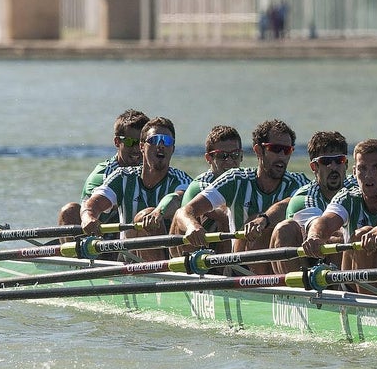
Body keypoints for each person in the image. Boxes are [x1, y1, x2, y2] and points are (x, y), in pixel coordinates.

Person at [172, 119, 310, 273]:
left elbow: (290, 203)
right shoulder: (235, 179)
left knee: (277, 227)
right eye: (275, 149)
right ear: (258, 150)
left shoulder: (299, 183)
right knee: (181, 224)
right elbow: (183, 212)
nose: (282, 156)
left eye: (287, 150)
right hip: (240, 266)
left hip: (279, 266)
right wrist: (193, 226)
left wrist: (263, 220)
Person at [302, 139, 377, 296]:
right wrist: (314, 236)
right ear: (354, 172)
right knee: (359, 235)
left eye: (376, 167)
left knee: (365, 234)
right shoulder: (347, 197)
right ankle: (365, 304)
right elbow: (326, 221)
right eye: (362, 168)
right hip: (354, 282)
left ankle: (370, 307)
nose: (368, 175)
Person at [80, 117, 193, 261]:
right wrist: (88, 217)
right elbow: (93, 204)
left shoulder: (180, 179)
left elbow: (177, 199)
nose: (161, 145)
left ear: (173, 149)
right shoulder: (122, 177)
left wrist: (159, 212)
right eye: (154, 140)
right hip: (128, 258)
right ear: (142, 147)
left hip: (171, 264)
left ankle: (155, 275)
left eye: (167, 141)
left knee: (145, 214)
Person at [57, 109, 149, 237]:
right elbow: (90, 207)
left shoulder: (154, 170)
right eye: (129, 142)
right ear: (117, 142)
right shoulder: (101, 175)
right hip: (100, 236)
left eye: (140, 143)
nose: (136, 150)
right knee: (69, 211)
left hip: (134, 236)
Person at [270, 130, 350, 274]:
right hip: (309, 263)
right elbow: (322, 229)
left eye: (339, 160)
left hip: (342, 265)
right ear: (314, 167)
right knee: (285, 228)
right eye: (325, 162)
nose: (333, 166)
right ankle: (294, 292)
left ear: (346, 164)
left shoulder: (360, 187)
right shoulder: (304, 198)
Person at [171, 125, 244, 258]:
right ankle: (228, 270)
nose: (229, 161)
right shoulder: (201, 185)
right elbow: (224, 213)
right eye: (222, 156)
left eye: (235, 155)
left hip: (220, 247)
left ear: (242, 156)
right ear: (209, 158)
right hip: (189, 252)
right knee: (223, 215)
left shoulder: (246, 182)